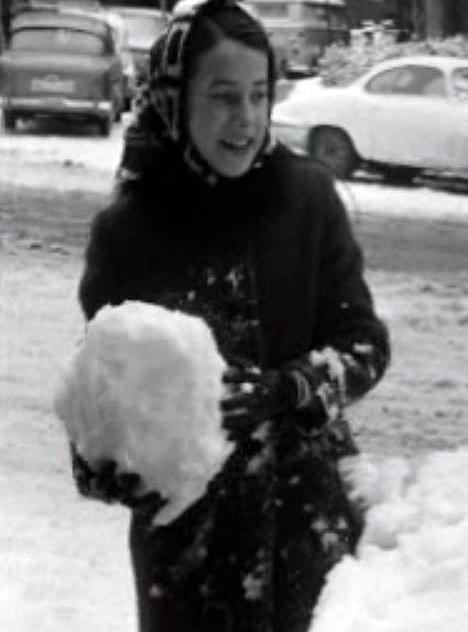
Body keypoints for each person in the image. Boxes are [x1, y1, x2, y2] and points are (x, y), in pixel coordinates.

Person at [67, 1, 390, 630]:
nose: (245, 119)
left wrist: (290, 388)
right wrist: (109, 470)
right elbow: (98, 407)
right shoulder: (128, 231)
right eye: (222, 96)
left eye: (259, 95)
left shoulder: (307, 201)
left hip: (305, 529)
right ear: (173, 99)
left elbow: (364, 345)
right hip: (187, 552)